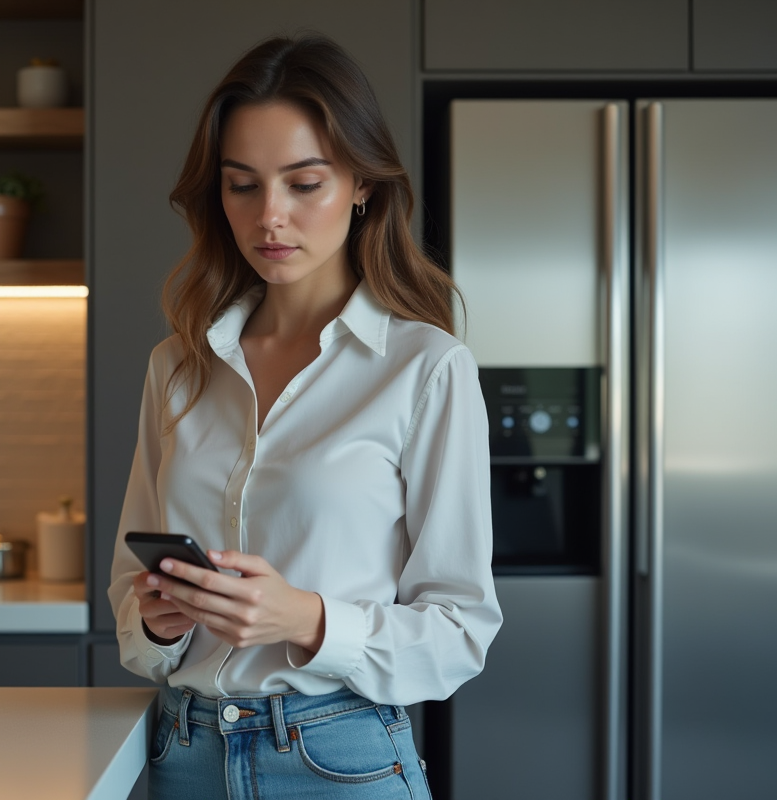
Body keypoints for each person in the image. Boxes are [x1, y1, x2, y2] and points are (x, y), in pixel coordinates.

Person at [108, 33, 502, 800]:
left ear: (361, 186)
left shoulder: (425, 369)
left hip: (339, 756)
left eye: (304, 183)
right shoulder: (177, 365)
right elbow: (130, 590)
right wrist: (158, 620)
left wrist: (307, 619)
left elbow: (461, 632)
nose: (270, 218)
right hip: (182, 755)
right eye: (243, 185)